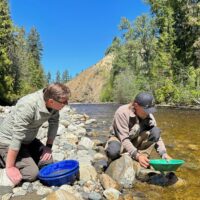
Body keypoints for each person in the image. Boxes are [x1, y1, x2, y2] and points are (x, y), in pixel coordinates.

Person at [0, 83, 71, 186]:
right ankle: (3, 159)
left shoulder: (53, 105)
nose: (66, 104)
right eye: (64, 102)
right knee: (31, 174)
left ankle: (25, 156)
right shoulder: (28, 105)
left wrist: (48, 147)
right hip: (8, 141)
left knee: (47, 162)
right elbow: (17, 137)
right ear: (51, 101)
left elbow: (54, 123)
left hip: (28, 140)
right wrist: (10, 167)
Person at [105, 92, 171, 168]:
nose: (149, 113)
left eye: (150, 110)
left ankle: (144, 156)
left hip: (135, 139)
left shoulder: (149, 116)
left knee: (155, 131)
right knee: (113, 152)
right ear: (136, 105)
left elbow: (158, 138)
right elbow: (124, 139)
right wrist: (137, 156)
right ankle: (133, 156)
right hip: (119, 139)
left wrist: (164, 154)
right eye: (146, 110)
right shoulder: (122, 112)